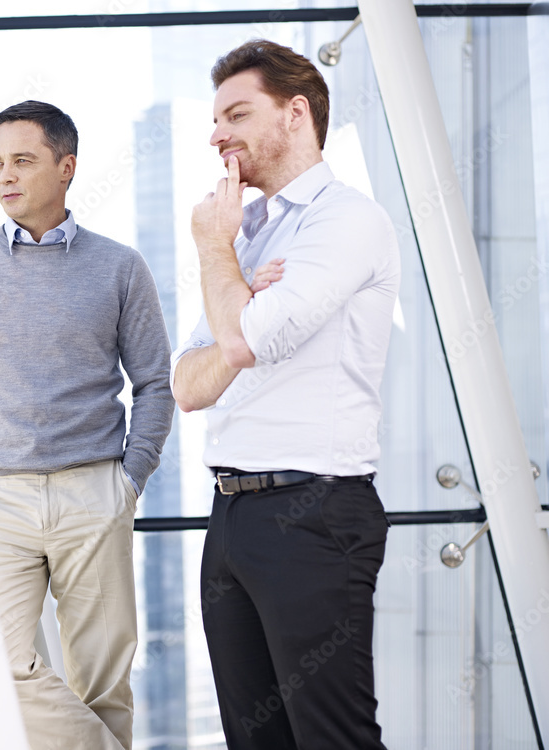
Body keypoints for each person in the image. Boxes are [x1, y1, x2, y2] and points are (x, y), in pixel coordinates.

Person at [171, 40, 400, 749]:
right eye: (214, 120)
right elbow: (188, 383)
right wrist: (238, 291)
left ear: (296, 113)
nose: (217, 135)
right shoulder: (253, 237)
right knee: (255, 741)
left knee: (333, 739)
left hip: (314, 515)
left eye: (236, 114)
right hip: (232, 516)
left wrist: (216, 258)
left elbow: (239, 346)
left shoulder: (344, 220)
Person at [0, 100, 174, 750]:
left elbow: (154, 382)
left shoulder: (119, 267)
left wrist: (129, 480)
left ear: (66, 168)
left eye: (24, 161)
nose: (6, 176)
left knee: (102, 682)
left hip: (93, 492)